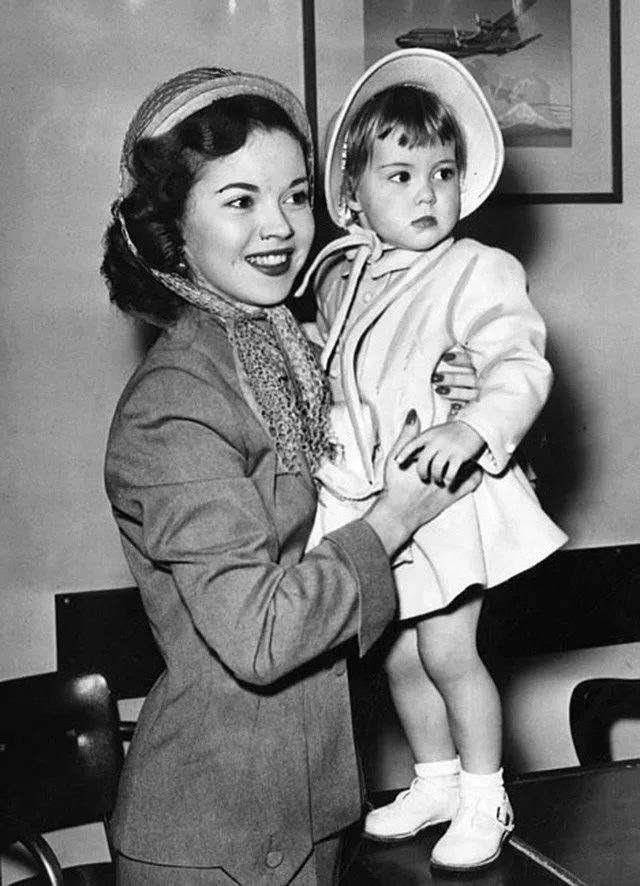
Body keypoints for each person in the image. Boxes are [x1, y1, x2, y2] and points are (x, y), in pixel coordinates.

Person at [100, 66, 481, 886]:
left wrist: (460, 401)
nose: (280, 228)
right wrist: (395, 515)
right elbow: (263, 637)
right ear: (172, 224)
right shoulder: (174, 403)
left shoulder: (296, 350)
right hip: (212, 839)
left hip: (312, 809)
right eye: (239, 200)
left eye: (297, 195)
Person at [297, 49, 568, 872]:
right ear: (353, 197)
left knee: (450, 651)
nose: (428, 193)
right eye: (402, 175)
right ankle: (437, 779)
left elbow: (520, 360)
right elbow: (336, 362)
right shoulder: (343, 278)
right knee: (398, 655)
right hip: (378, 499)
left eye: (443, 173)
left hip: (448, 495)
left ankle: (487, 792)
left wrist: (474, 421)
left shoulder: (476, 268)